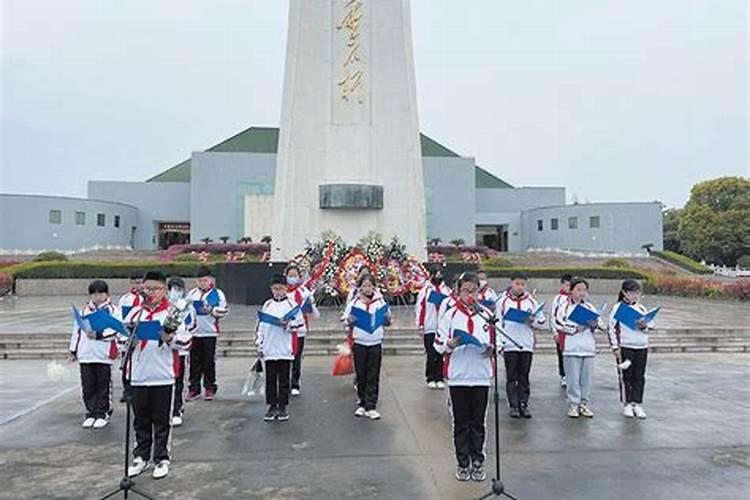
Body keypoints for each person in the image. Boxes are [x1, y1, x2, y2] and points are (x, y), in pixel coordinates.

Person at [434, 272, 493, 482]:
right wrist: (449, 345)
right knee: (460, 422)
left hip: (481, 376)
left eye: (474, 291)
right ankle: (462, 462)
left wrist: (492, 350)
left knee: (478, 422)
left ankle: (478, 460)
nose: (470, 295)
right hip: (458, 375)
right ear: (458, 292)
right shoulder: (449, 315)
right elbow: (438, 344)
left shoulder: (486, 314)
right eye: (466, 291)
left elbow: (497, 340)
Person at [124, 271, 181, 480]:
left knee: (161, 420)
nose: (151, 293)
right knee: (140, 419)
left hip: (162, 374)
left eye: (155, 289)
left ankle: (161, 458)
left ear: (164, 289)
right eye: (147, 289)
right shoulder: (135, 313)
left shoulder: (174, 313)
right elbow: (123, 340)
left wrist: (168, 337)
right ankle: (141, 456)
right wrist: (129, 339)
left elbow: (185, 342)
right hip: (138, 374)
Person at [69, 280, 121, 429]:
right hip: (86, 354)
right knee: (88, 386)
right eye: (94, 293)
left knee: (103, 385)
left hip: (103, 354)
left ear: (107, 294)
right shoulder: (84, 311)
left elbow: (116, 330)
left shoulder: (112, 310)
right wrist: (73, 350)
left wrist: (99, 335)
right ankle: (90, 412)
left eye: (101, 293)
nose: (97, 296)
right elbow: (76, 332)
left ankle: (102, 412)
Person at [496, 272, 545, 418]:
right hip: (510, 343)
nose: (520, 287)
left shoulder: (531, 301)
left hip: (526, 344)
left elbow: (541, 321)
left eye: (523, 284)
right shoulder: (502, 301)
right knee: (511, 376)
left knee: (524, 375)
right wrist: (500, 344)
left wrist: (532, 321)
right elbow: (498, 323)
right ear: (511, 283)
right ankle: (513, 405)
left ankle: (524, 403)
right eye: (517, 284)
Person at [256, 274, 304, 422]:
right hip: (270, 347)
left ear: (286, 288)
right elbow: (261, 326)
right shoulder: (267, 305)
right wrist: (259, 343)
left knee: (284, 379)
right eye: (275, 289)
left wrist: (287, 324)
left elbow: (300, 323)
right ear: (271, 289)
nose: (278, 292)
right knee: (270, 379)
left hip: (285, 347)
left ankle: (283, 406)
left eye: (281, 289)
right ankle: (272, 406)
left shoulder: (292, 305)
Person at [344, 273, 392, 420]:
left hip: (375, 342)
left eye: (369, 285)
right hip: (359, 342)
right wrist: (350, 320)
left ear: (374, 287)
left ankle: (371, 405)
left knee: (373, 374)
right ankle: (362, 402)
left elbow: (388, 319)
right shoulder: (354, 302)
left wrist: (385, 319)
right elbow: (345, 319)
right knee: (361, 373)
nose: (367, 288)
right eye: (364, 285)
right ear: (360, 287)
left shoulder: (380, 302)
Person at [554, 277, 602, 418]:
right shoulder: (564, 306)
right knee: (572, 379)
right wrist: (575, 328)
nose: (581, 293)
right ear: (571, 290)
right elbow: (559, 323)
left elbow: (601, 324)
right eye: (578, 290)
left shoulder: (589, 307)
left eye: (584, 290)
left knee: (586, 379)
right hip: (571, 347)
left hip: (587, 347)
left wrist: (595, 325)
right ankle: (573, 404)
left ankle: (584, 404)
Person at [608, 280, 653, 419]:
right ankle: (627, 404)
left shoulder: (641, 308)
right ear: (624, 293)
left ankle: (637, 404)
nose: (635, 295)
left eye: (637, 292)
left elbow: (651, 325)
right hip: (626, 346)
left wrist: (644, 326)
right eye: (632, 292)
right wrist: (615, 347)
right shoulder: (618, 308)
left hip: (641, 346)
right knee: (626, 376)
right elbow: (611, 328)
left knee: (639, 376)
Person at [186, 267, 228, 401]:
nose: (202, 283)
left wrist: (211, 310)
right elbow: (184, 310)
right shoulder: (192, 294)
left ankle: (210, 387)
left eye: (205, 280)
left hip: (210, 332)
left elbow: (224, 311)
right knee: (194, 362)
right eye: (200, 281)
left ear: (210, 280)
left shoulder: (217, 294)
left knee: (208, 362)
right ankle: (194, 388)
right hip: (194, 333)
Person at [285, 264, 320, 396]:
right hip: (285, 329)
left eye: (295, 275)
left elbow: (316, 315)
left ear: (299, 277)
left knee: (297, 357)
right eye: (290, 275)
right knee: (286, 356)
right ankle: (284, 381)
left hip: (300, 329)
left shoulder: (304, 291)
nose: (293, 278)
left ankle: (295, 382)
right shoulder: (283, 291)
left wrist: (311, 304)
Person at [414, 266, 452, 389]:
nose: (438, 277)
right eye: (436, 274)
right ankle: (430, 377)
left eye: (440, 274)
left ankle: (440, 376)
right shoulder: (425, 290)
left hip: (442, 327)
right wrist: (420, 325)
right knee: (431, 353)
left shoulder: (446, 290)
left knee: (440, 352)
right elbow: (420, 307)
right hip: (429, 325)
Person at [166, 276, 196, 426]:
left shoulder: (187, 307)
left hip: (181, 350)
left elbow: (192, 325)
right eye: (171, 289)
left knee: (179, 381)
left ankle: (177, 410)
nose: (174, 292)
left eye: (178, 289)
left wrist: (178, 331)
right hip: (165, 350)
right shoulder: (165, 306)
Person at [116, 273, 144, 402]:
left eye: (140, 282)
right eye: (135, 283)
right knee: (126, 363)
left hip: (142, 337)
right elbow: (121, 318)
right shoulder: (125, 299)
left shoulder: (146, 299)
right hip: (128, 337)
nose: (137, 286)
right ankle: (127, 390)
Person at [550, 274, 573, 388]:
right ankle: (563, 375)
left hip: (573, 332)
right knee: (561, 354)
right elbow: (553, 316)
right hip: (561, 331)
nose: (569, 287)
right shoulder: (558, 298)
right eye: (567, 285)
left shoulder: (577, 298)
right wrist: (555, 332)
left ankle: (571, 375)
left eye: (571, 285)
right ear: (562, 284)